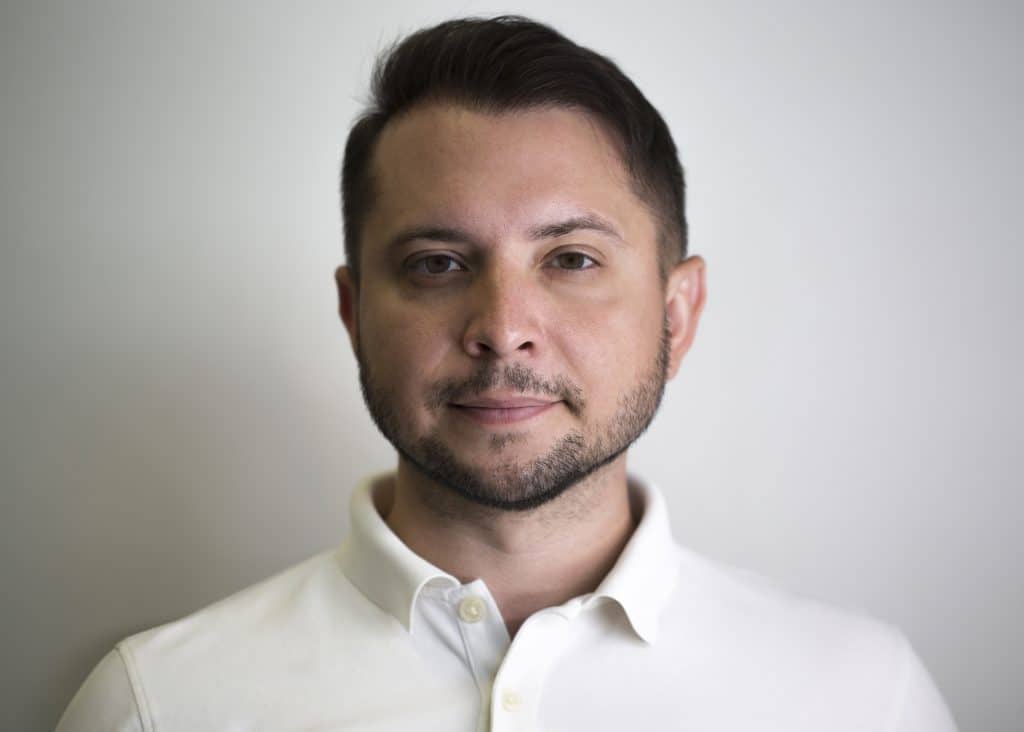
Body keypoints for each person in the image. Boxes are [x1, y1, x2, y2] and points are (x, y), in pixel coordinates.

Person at [56, 15, 958, 731]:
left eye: (569, 259)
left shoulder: (863, 699)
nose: (502, 330)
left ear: (677, 315)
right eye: (437, 263)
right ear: (353, 314)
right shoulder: (154, 705)